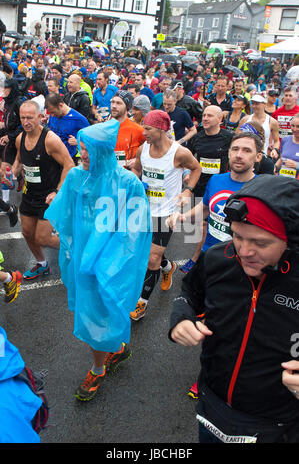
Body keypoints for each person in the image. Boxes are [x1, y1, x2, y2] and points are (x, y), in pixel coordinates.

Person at [169, 174, 299, 443]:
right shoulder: (219, 257)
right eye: (237, 236)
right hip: (211, 407)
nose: (244, 251)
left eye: (261, 243)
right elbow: (189, 292)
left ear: (290, 241)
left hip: (277, 424)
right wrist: (181, 318)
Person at [44, 119, 152, 401]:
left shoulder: (127, 182)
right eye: (81, 149)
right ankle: (114, 349)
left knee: (97, 316)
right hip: (81, 259)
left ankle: (98, 368)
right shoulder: (78, 177)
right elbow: (65, 213)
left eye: (89, 149)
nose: (84, 155)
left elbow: (137, 228)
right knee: (93, 312)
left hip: (109, 264)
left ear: (104, 150)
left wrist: (111, 262)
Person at [130, 110, 202, 321]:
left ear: (161, 129)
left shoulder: (179, 153)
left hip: (166, 213)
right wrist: (135, 181)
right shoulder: (143, 149)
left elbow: (196, 169)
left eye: (148, 128)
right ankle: (168, 267)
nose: (144, 132)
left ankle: (141, 304)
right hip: (144, 209)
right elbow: (137, 170)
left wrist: (188, 190)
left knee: (152, 259)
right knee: (145, 253)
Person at [12, 100, 75, 280]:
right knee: (27, 233)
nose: (25, 122)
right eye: (23, 118)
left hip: (48, 197)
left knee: (42, 238)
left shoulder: (50, 140)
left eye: (30, 118)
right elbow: (19, 161)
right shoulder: (20, 138)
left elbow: (69, 165)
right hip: (29, 194)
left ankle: (74, 248)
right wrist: (12, 173)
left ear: (41, 117)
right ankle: (41, 264)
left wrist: (57, 192)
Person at [181, 105, 233, 273]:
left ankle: (198, 259)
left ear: (220, 119)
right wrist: (187, 173)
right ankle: (203, 257)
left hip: (222, 188)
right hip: (201, 186)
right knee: (200, 227)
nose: (205, 118)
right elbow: (186, 158)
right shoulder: (197, 138)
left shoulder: (228, 137)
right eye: (204, 115)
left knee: (213, 227)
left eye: (210, 115)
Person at [45, 93, 90, 164]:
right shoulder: (52, 116)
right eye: (50, 113)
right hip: (52, 158)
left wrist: (78, 142)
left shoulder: (78, 119)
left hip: (68, 160)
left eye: (53, 112)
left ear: (60, 105)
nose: (52, 115)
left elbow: (90, 140)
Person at [110, 90, 145, 170]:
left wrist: (138, 160)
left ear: (127, 107)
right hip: (107, 176)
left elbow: (153, 149)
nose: (114, 106)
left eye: (119, 103)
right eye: (113, 102)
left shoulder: (138, 130)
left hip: (127, 176)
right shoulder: (103, 127)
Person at [274, 113, 299, 179]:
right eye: (293, 126)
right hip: (283, 182)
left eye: (298, 126)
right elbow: (281, 158)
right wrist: (275, 167)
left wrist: (297, 166)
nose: (294, 129)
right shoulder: (285, 140)